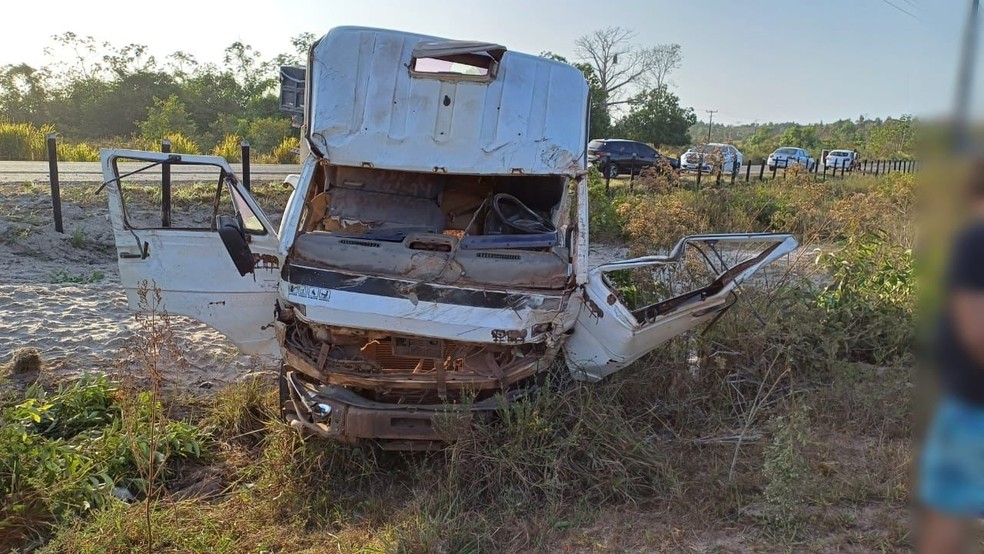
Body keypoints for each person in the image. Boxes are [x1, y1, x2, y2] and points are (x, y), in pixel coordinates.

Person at [919, 162, 984, 553]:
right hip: (970, 401)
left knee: (945, 513)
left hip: (972, 408)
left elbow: (976, 332)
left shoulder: (975, 242)